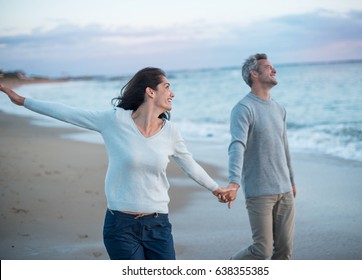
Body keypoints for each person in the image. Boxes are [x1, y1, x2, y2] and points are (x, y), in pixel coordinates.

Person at [0, 67, 234, 260]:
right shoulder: (113, 120)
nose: (173, 93)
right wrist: (22, 101)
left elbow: (190, 164)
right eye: (167, 87)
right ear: (150, 92)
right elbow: (68, 112)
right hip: (121, 225)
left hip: (158, 225)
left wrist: (216, 189)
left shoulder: (171, 132)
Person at [226, 54, 296, 260]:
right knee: (261, 251)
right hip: (259, 192)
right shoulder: (243, 108)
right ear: (254, 74)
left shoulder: (279, 108)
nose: (274, 71)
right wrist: (233, 182)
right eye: (268, 67)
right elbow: (237, 145)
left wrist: (291, 181)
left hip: (285, 190)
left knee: (284, 252)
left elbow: (285, 147)